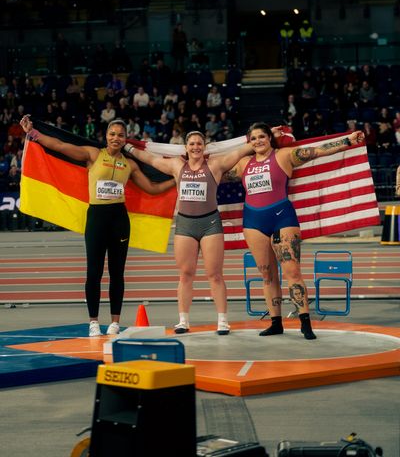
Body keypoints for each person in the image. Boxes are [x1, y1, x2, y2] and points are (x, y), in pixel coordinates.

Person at [19, 115, 175, 337]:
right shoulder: (93, 155)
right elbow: (61, 146)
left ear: (125, 139)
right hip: (96, 218)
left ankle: (114, 322)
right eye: (112, 134)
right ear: (106, 136)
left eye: (120, 135)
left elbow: (152, 188)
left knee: (117, 273)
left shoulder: (129, 164)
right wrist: (33, 133)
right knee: (93, 272)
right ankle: (93, 321)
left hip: (119, 219)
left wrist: (177, 178)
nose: (116, 138)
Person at [226, 122, 365, 340]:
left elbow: (318, 151)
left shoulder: (284, 156)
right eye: (253, 139)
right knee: (267, 276)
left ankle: (305, 323)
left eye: (262, 136)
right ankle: (275, 323)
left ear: (270, 138)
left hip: (282, 218)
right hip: (253, 222)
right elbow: (215, 172)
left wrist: (347, 141)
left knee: (292, 272)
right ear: (248, 143)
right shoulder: (243, 163)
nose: (258, 141)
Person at [124, 130, 254, 335]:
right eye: (192, 144)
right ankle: (183, 320)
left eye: (199, 144)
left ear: (205, 147)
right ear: (186, 147)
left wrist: (260, 137)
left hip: (210, 223)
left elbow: (239, 153)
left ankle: (222, 320)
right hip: (185, 225)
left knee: (215, 275)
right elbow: (149, 158)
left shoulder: (215, 165)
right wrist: (128, 147)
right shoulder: (177, 165)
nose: (195, 147)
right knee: (185, 274)